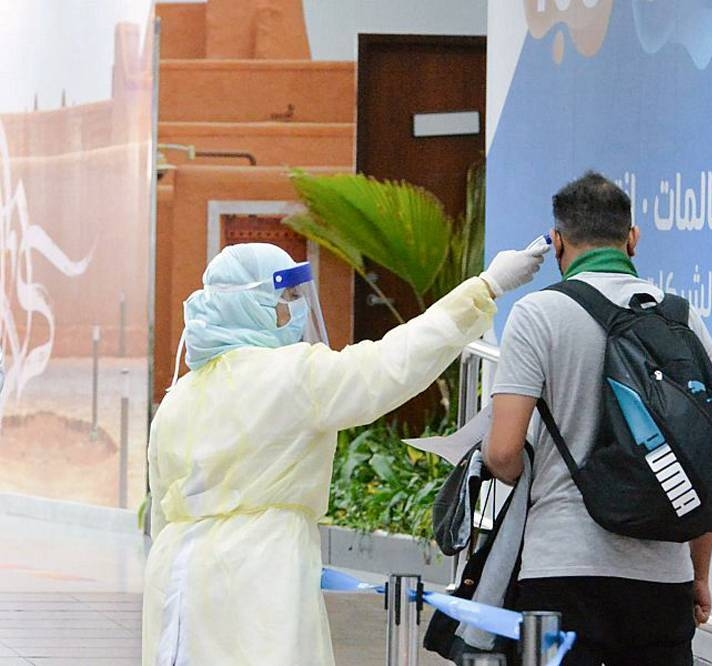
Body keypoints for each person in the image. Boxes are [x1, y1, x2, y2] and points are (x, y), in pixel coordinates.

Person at [142, 240, 548, 666]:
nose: (294, 311)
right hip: (257, 573)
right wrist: (486, 288)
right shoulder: (291, 377)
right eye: (286, 300)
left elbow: (160, 515)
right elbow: (392, 364)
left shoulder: (178, 396)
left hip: (174, 581)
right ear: (255, 305)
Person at [484, 171, 712, 666]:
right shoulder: (682, 319)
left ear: (557, 241)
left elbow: (502, 453)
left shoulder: (538, 314)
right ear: (632, 238)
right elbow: (706, 459)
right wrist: (698, 574)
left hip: (563, 569)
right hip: (663, 577)